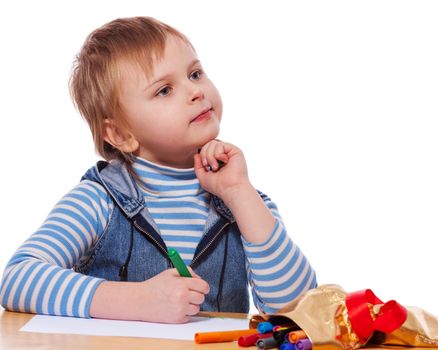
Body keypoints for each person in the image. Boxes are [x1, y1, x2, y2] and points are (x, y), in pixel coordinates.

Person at [0, 16, 316, 324]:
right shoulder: (98, 200)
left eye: (195, 74)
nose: (196, 91)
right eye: (164, 90)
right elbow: (17, 279)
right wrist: (138, 301)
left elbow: (300, 310)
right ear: (121, 134)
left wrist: (239, 193)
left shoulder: (246, 202)